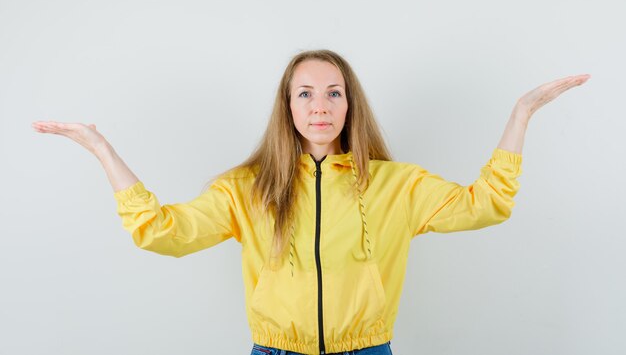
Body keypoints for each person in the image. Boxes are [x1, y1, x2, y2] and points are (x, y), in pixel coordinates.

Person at [31, 49, 590, 355]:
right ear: (289, 108)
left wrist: (521, 114)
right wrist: (102, 150)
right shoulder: (246, 188)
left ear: (350, 106)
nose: (319, 105)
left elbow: (487, 203)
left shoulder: (397, 185)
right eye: (305, 93)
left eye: (333, 92)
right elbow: (161, 231)